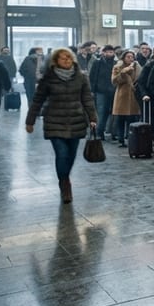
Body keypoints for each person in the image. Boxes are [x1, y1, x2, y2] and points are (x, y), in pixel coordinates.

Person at [25, 48, 97, 204]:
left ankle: (65, 176)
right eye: (63, 58)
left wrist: (93, 118)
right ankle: (64, 183)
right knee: (62, 153)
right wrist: (30, 121)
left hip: (76, 120)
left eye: (69, 58)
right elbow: (37, 100)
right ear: (55, 61)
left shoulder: (81, 77)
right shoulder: (48, 79)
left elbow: (87, 99)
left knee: (71, 155)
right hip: (54, 121)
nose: (67, 61)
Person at [111, 51, 141, 146]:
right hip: (122, 95)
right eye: (128, 57)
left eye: (132, 57)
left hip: (133, 94)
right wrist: (123, 73)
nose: (130, 58)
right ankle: (121, 138)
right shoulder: (118, 67)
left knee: (132, 118)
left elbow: (140, 78)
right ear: (123, 58)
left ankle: (131, 138)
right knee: (120, 118)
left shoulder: (137, 67)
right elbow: (114, 81)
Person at [88, 45, 117, 140]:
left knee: (113, 113)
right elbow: (92, 77)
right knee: (102, 112)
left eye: (111, 52)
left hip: (113, 91)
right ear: (103, 53)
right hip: (101, 91)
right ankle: (99, 132)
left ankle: (113, 133)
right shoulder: (98, 63)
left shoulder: (116, 63)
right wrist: (93, 90)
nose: (110, 54)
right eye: (108, 52)